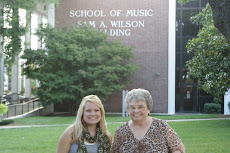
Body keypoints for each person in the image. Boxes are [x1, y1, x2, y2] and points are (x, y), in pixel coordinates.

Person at [111, 88, 185, 153]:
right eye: (132, 107)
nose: (136, 111)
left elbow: (179, 149)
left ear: (148, 108)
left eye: (140, 107)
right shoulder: (120, 132)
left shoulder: (161, 126)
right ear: (128, 109)